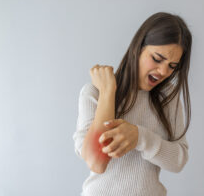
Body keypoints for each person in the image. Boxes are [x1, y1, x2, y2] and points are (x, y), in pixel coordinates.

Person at [73, 11, 192, 196]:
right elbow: (96, 162)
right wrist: (107, 92)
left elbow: (178, 161)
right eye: (157, 59)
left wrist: (140, 137)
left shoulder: (168, 98)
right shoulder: (95, 92)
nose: (163, 71)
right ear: (138, 47)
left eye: (172, 66)